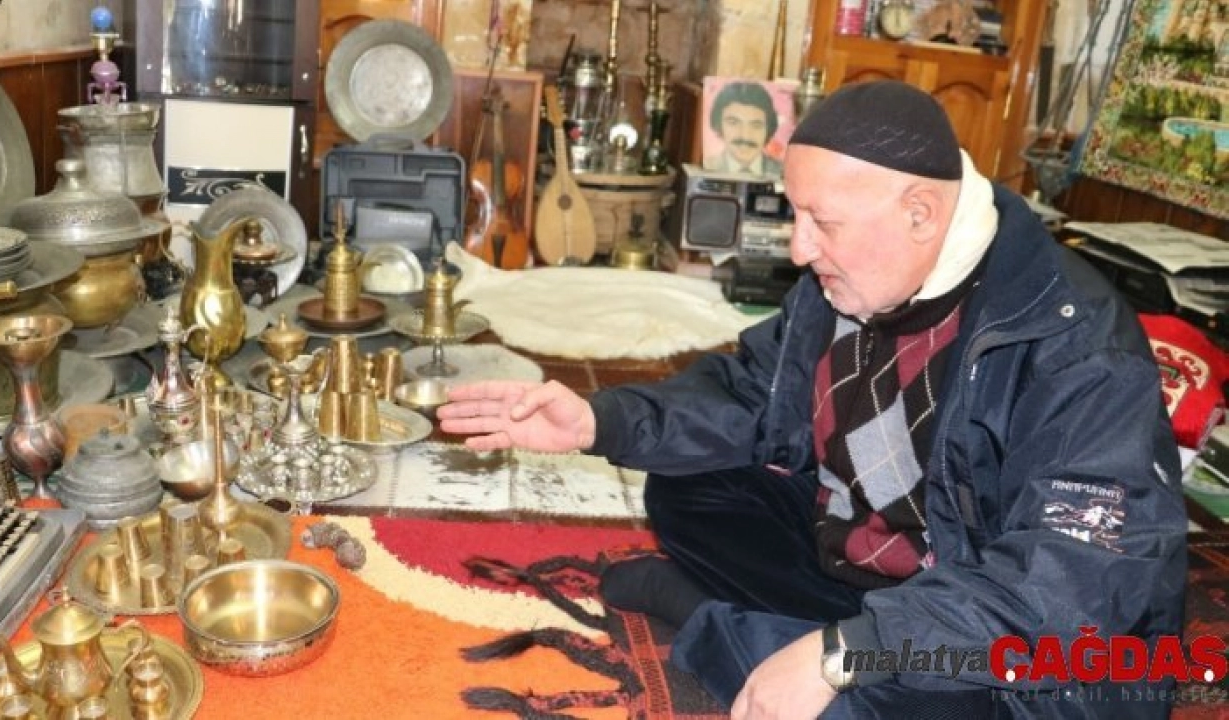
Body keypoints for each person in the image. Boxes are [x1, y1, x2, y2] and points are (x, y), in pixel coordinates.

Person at [440, 81, 1188, 719]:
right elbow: (749, 396)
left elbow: (1070, 586)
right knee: (687, 482)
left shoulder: (1074, 346)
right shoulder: (842, 285)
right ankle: (821, 644)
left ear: (921, 213)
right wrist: (598, 420)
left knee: (888, 706)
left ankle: (713, 624)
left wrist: (852, 651)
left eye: (821, 222)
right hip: (882, 583)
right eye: (795, 215)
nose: (799, 249)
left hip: (1029, 653)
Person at [704, 80, 783, 176]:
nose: (745, 135)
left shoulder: (784, 172)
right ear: (719, 125)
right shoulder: (705, 168)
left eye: (756, 125)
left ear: (768, 129)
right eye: (734, 123)